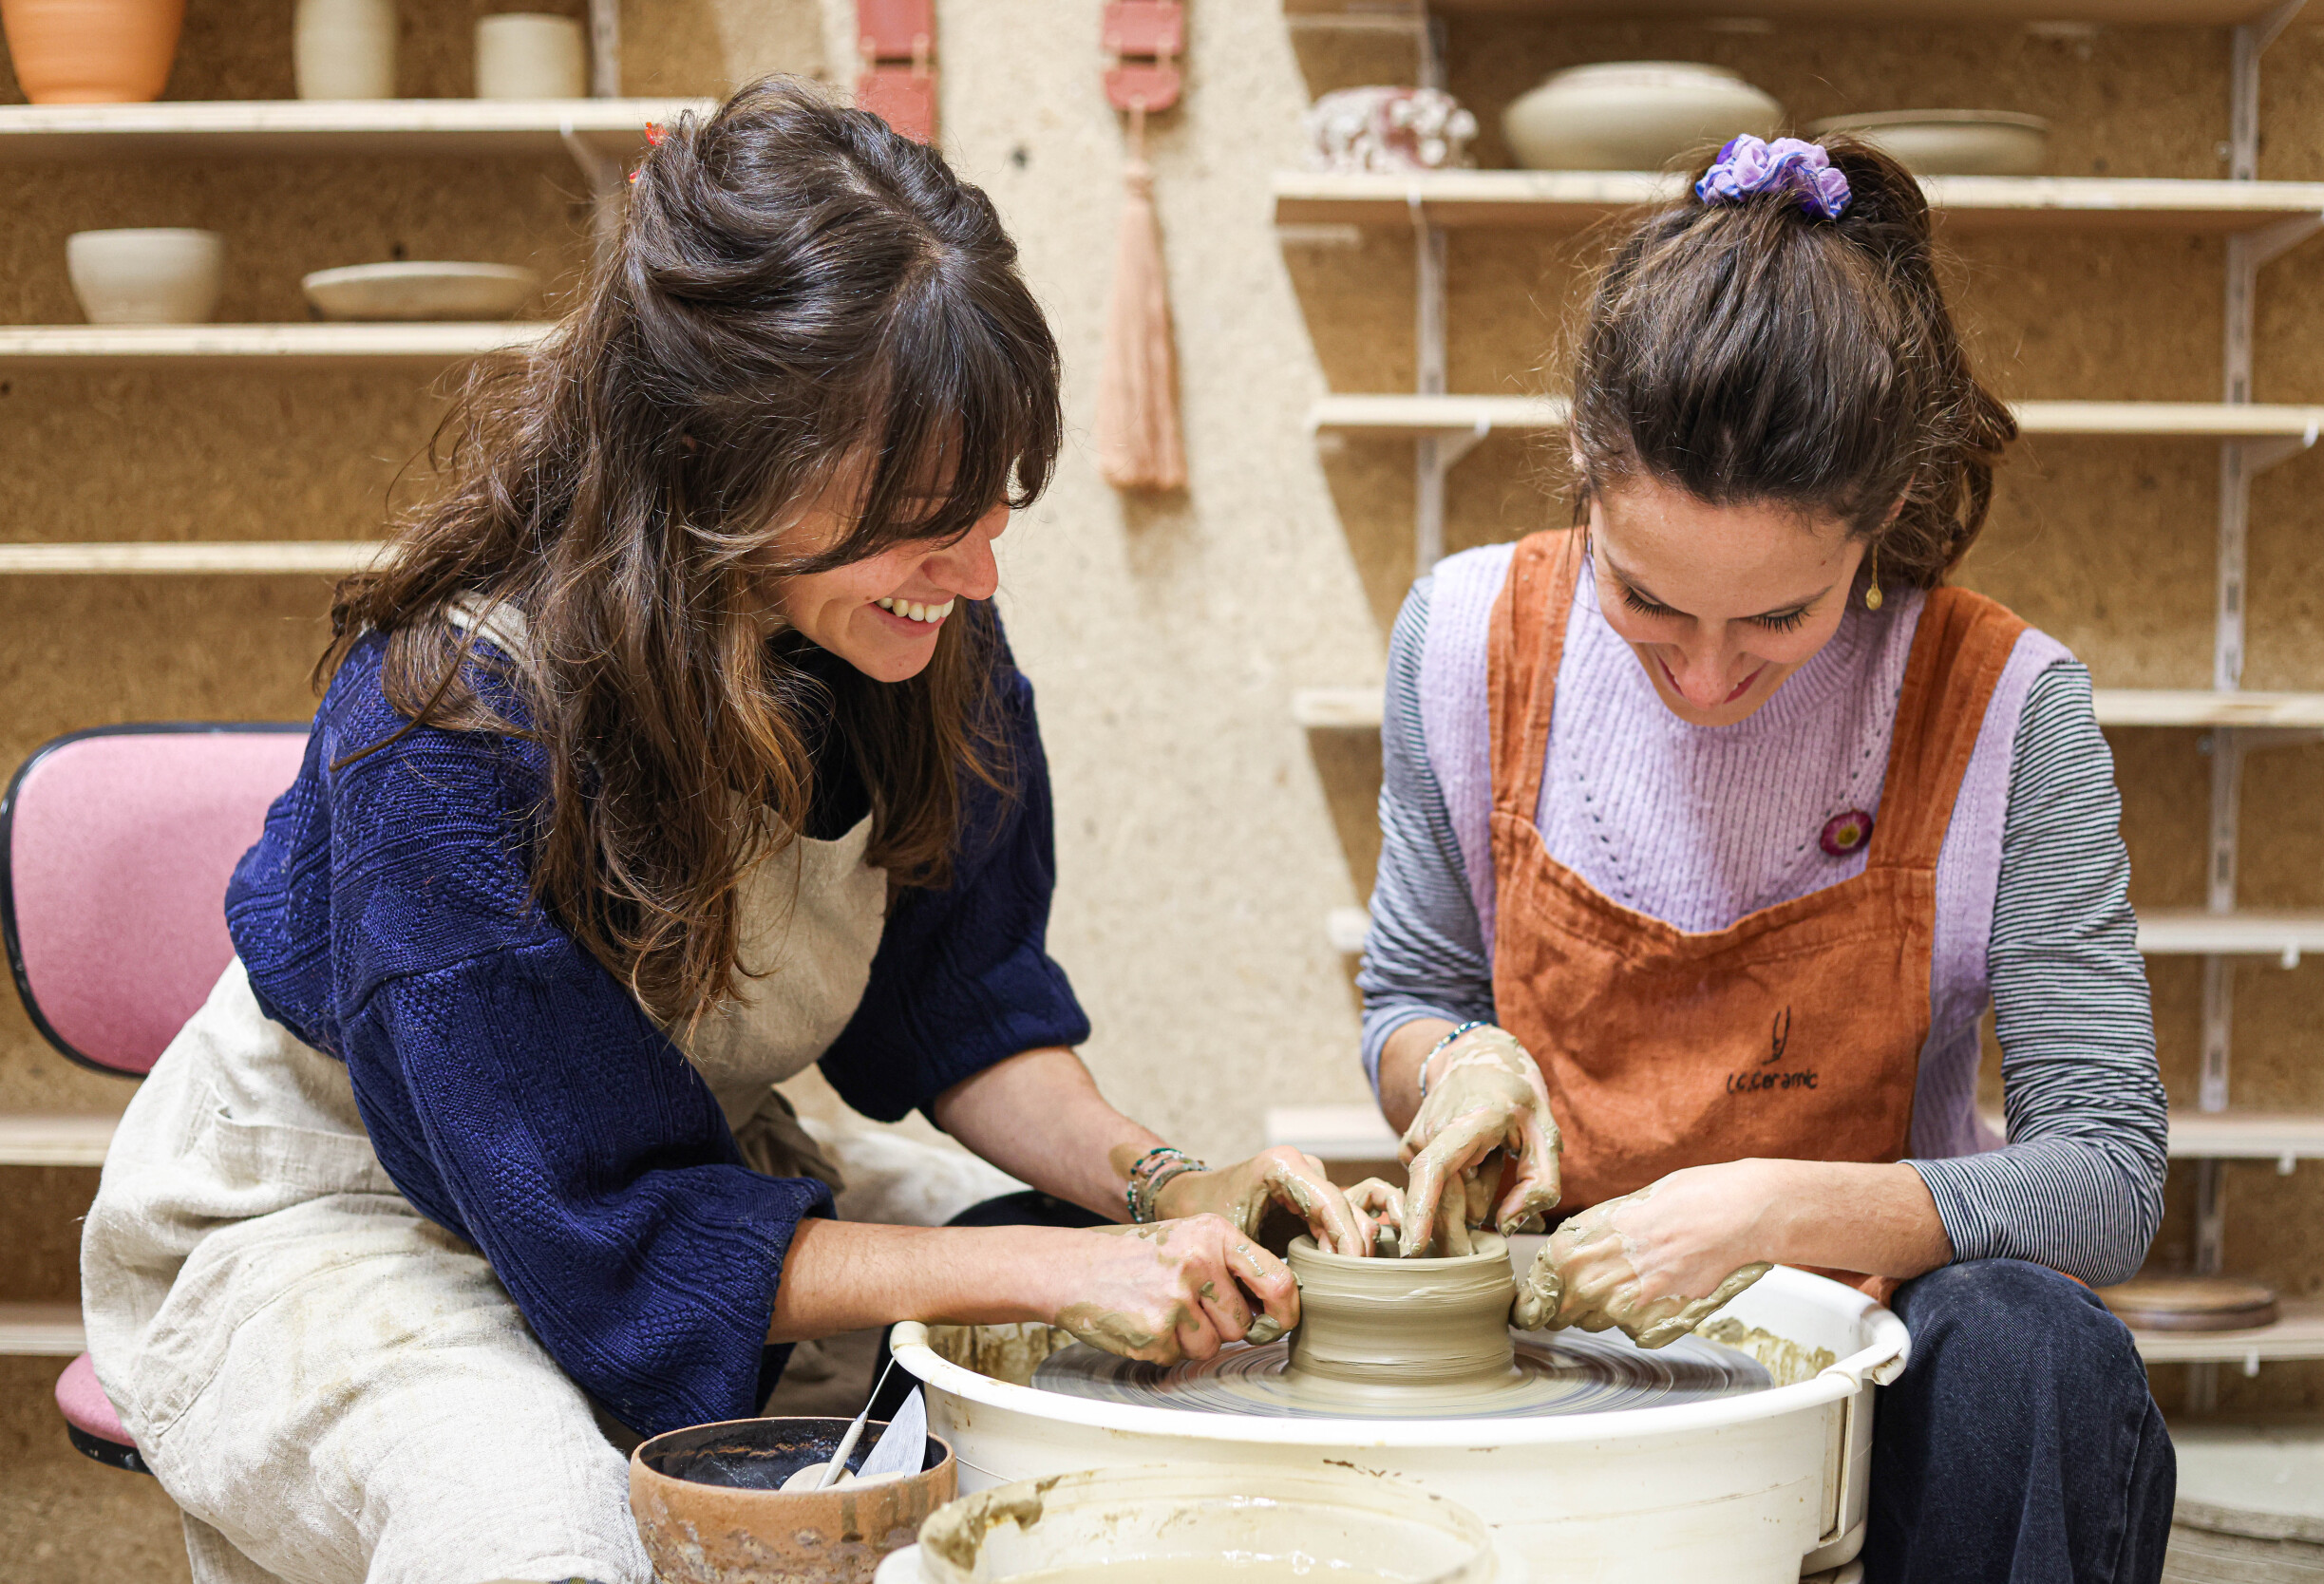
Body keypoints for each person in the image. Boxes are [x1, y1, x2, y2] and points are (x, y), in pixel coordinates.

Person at [81, 80, 1374, 1584]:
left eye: (996, 501)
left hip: (668, 1163)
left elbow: (958, 1014)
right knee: (542, 1533)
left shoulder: (914, 636)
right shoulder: (447, 724)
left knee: (1093, 1384)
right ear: (715, 456)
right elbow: (606, 1233)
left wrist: (1167, 1188)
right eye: (923, 512)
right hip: (337, 1207)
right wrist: (1063, 1262)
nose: (976, 566)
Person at [1358, 136, 2175, 1584]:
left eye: (1782, 620)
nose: (1709, 676)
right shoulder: (1466, 641)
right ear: (1581, 472)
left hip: (1876, 1349)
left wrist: (1777, 1208)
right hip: (1568, 1322)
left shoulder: (2007, 707)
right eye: (1648, 601)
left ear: (1877, 528)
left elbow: (2104, 1177)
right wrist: (1458, 1064)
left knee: (2028, 1350)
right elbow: (1412, 993)